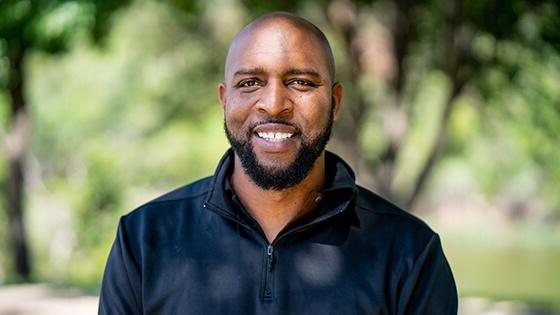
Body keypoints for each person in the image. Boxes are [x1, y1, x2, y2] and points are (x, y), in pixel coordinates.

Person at [99, 12, 458, 315]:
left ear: (335, 102)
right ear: (225, 101)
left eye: (300, 82)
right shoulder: (144, 240)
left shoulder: (410, 253)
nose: (273, 104)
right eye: (251, 82)